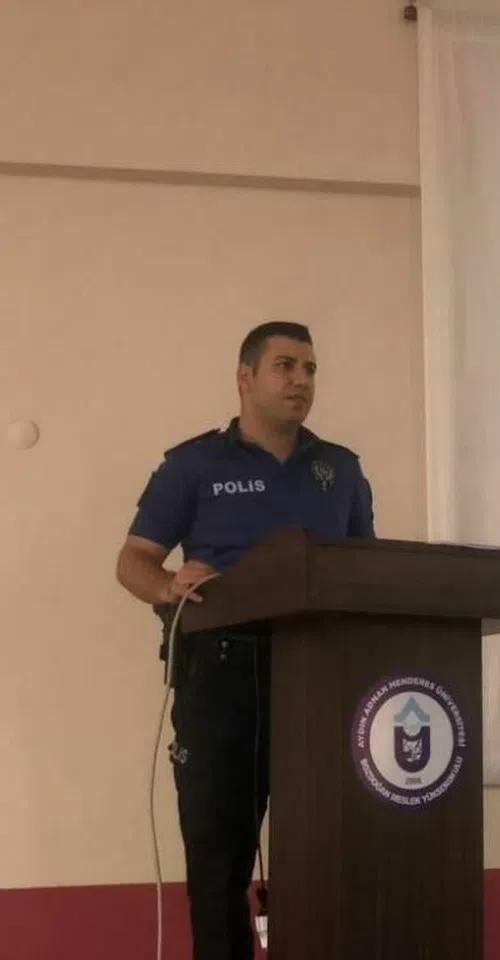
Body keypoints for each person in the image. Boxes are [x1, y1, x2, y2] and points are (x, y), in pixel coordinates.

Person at [115, 320, 376, 960]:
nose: (301, 380)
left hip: (318, 678)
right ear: (245, 377)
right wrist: (169, 584)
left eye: (310, 369)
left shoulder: (340, 469)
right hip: (221, 677)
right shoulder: (194, 464)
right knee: (218, 863)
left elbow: (367, 571)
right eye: (286, 366)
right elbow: (133, 561)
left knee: (323, 853)